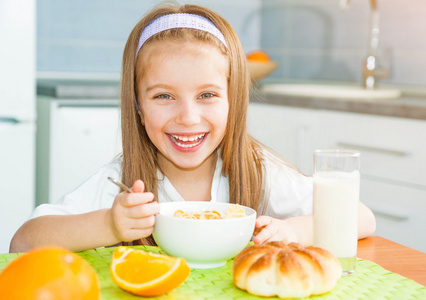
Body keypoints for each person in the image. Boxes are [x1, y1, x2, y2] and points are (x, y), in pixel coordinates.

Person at [10, 3, 375, 253]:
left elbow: (360, 216)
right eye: (164, 96)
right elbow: (23, 242)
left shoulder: (256, 170)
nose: (187, 117)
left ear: (233, 100)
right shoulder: (126, 184)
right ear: (137, 107)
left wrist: (296, 230)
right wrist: (110, 224)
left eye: (207, 95)